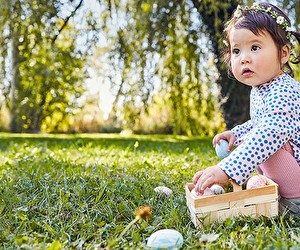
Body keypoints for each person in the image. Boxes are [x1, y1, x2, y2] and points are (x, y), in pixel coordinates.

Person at [192, 2, 300, 216]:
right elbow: (260, 122)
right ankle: (274, 190)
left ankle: (293, 202)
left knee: (265, 144)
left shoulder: (285, 91)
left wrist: (226, 169)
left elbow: (269, 133)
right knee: (252, 139)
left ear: (284, 53)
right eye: (236, 50)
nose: (244, 58)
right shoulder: (261, 89)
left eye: (255, 47)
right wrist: (237, 133)